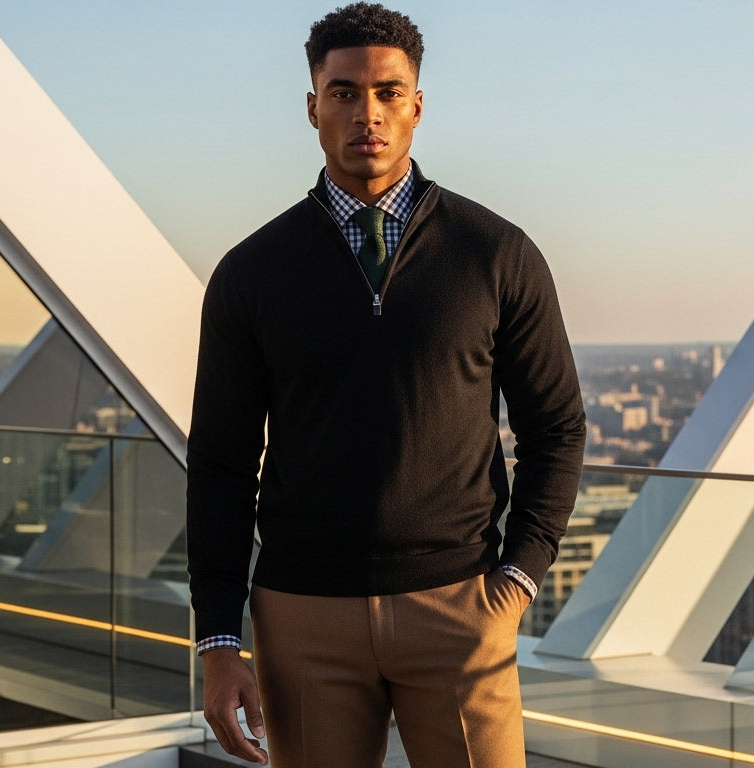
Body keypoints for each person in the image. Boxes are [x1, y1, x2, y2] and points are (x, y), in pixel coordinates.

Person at [185, 3, 586, 766]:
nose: (366, 113)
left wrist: (518, 583)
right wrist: (218, 643)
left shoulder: (496, 254)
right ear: (312, 107)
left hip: (461, 608)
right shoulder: (252, 271)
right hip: (302, 617)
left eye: (387, 92)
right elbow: (221, 465)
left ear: (417, 105)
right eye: (343, 92)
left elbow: (557, 428)